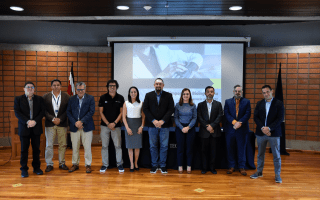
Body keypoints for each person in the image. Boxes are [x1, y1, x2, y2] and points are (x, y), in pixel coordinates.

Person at [250, 85, 284, 183]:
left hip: (274, 134)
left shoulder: (279, 103)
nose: (266, 94)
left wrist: (269, 128)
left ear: (272, 91)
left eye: (267, 92)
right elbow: (256, 117)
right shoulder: (259, 103)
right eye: (264, 92)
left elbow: (280, 119)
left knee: (276, 155)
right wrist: (263, 128)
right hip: (260, 133)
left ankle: (277, 175)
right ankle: (259, 172)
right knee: (260, 154)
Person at [143, 78, 174, 174]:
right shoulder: (148, 95)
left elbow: (171, 109)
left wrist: (162, 121)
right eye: (156, 84)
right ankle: (154, 165)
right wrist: (154, 121)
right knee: (153, 146)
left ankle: (163, 165)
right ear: (154, 85)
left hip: (164, 126)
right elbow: (145, 109)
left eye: (160, 84)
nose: (158, 85)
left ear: (163, 85)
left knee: (164, 146)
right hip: (152, 126)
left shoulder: (168, 95)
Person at [14, 81, 45, 178]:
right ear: (24, 89)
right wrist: (28, 121)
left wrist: (34, 121)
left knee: (36, 149)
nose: (30, 88)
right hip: (24, 128)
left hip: (36, 127)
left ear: (34, 89)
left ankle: (36, 168)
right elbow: (17, 112)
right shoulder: (18, 99)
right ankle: (24, 169)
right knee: (24, 150)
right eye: (28, 87)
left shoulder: (39, 99)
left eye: (32, 87)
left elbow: (42, 112)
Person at [67, 82, 95, 173]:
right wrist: (75, 123)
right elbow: (68, 112)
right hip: (74, 126)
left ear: (85, 89)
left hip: (86, 126)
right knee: (75, 147)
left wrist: (81, 121)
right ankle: (75, 164)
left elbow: (91, 111)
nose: (80, 91)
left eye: (82, 89)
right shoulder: (71, 99)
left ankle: (88, 165)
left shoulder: (90, 98)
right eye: (78, 89)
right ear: (75, 90)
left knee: (87, 147)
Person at [43, 79, 70, 172]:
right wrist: (52, 118)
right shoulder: (46, 96)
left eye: (58, 85)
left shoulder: (67, 96)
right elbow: (44, 111)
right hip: (50, 124)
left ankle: (62, 163)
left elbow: (68, 110)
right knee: (49, 145)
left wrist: (60, 119)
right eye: (54, 85)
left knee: (62, 144)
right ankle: (49, 164)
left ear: (61, 86)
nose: (56, 87)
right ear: (51, 87)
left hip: (62, 124)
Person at [224, 85, 251, 176]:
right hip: (230, 130)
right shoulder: (227, 102)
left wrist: (240, 123)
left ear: (242, 92)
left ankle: (241, 167)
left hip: (242, 130)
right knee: (230, 148)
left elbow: (248, 114)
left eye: (239, 91)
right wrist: (234, 122)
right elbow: (226, 114)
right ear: (233, 91)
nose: (237, 92)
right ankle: (231, 166)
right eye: (236, 91)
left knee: (241, 148)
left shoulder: (247, 102)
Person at [99, 80, 125, 173]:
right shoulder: (103, 97)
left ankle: (119, 164)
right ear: (107, 87)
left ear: (116, 87)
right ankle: (105, 164)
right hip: (104, 126)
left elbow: (122, 112)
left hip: (116, 126)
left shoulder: (121, 98)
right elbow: (101, 112)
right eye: (110, 86)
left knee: (118, 146)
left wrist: (114, 123)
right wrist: (108, 124)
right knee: (104, 146)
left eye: (114, 86)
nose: (112, 87)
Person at [133, 44, 203, 78]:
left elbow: (197, 57)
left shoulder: (162, 50)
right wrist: (163, 74)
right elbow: (142, 90)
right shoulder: (130, 62)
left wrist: (189, 70)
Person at [197, 86, 223, 174]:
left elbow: (220, 116)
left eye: (211, 92)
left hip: (215, 132)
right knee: (203, 151)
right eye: (208, 92)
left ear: (214, 93)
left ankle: (212, 168)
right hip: (204, 132)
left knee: (213, 151)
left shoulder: (218, 104)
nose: (209, 93)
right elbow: (199, 117)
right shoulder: (200, 105)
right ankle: (204, 168)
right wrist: (207, 126)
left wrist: (212, 126)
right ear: (205, 93)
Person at [174, 88, 197, 174]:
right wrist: (182, 128)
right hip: (180, 129)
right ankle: (180, 166)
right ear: (181, 95)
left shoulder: (193, 105)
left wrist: (188, 127)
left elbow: (195, 118)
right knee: (180, 148)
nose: (185, 96)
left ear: (190, 95)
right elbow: (175, 118)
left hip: (190, 129)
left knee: (189, 149)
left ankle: (189, 166)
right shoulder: (178, 105)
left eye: (187, 94)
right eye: (184, 94)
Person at [122, 86, 145, 172]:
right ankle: (131, 163)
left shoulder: (141, 103)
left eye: (135, 92)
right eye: (131, 92)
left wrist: (141, 126)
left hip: (138, 126)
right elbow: (123, 117)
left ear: (137, 93)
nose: (133, 93)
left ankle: (136, 163)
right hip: (129, 125)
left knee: (137, 146)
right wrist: (127, 128)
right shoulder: (126, 103)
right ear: (129, 93)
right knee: (130, 147)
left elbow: (143, 117)